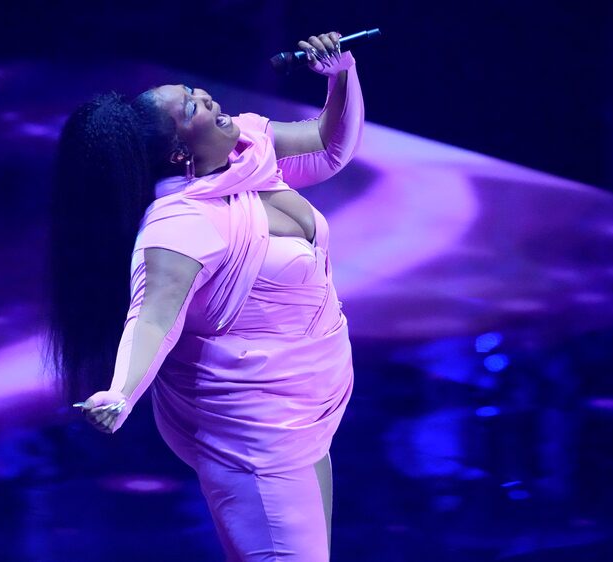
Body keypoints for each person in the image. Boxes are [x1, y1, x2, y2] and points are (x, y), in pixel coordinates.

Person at [46, 31, 364, 561]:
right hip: (255, 429)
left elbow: (331, 147)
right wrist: (120, 393)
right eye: (192, 107)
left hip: (307, 405)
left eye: (197, 91)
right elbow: (152, 319)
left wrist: (340, 76)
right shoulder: (180, 223)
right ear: (178, 150)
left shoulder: (253, 149)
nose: (211, 100)